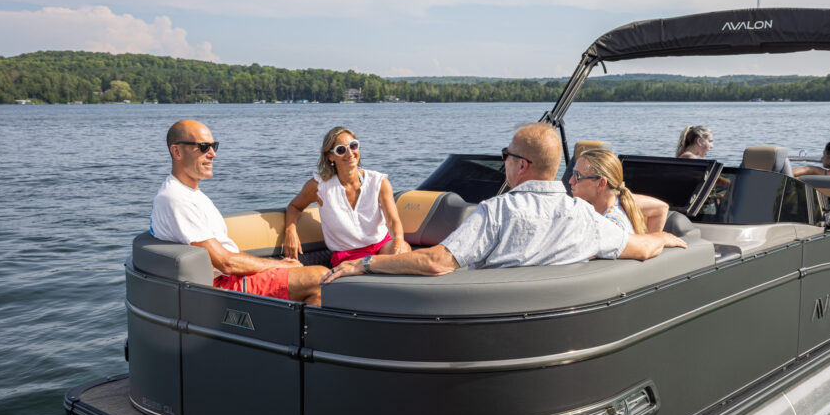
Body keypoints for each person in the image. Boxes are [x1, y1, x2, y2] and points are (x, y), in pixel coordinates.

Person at [321, 123, 686, 284]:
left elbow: (436, 264)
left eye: (507, 155)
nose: (505, 161)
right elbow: (640, 248)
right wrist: (665, 239)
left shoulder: (497, 211)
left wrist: (367, 265)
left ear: (522, 165)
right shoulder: (584, 217)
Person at [150, 119, 326, 305]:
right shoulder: (175, 198)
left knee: (317, 276)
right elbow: (225, 262)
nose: (212, 154)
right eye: (203, 147)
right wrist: (279, 264)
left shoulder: (190, 194)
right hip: (218, 287)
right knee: (319, 278)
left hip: (227, 277)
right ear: (176, 151)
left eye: (213, 146)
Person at [284, 126, 410, 267]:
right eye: (341, 150)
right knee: (377, 267)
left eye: (353, 146)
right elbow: (294, 206)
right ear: (330, 156)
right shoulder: (319, 187)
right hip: (349, 255)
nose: (350, 153)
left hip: (381, 246)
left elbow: (392, 221)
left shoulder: (379, 182)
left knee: (404, 249)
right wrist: (290, 230)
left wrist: (398, 242)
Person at [569, 148, 669, 233]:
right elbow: (661, 208)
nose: (570, 181)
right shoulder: (621, 202)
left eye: (577, 176)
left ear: (601, 184)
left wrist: (652, 241)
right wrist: (652, 239)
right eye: (572, 173)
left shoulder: (610, 227)